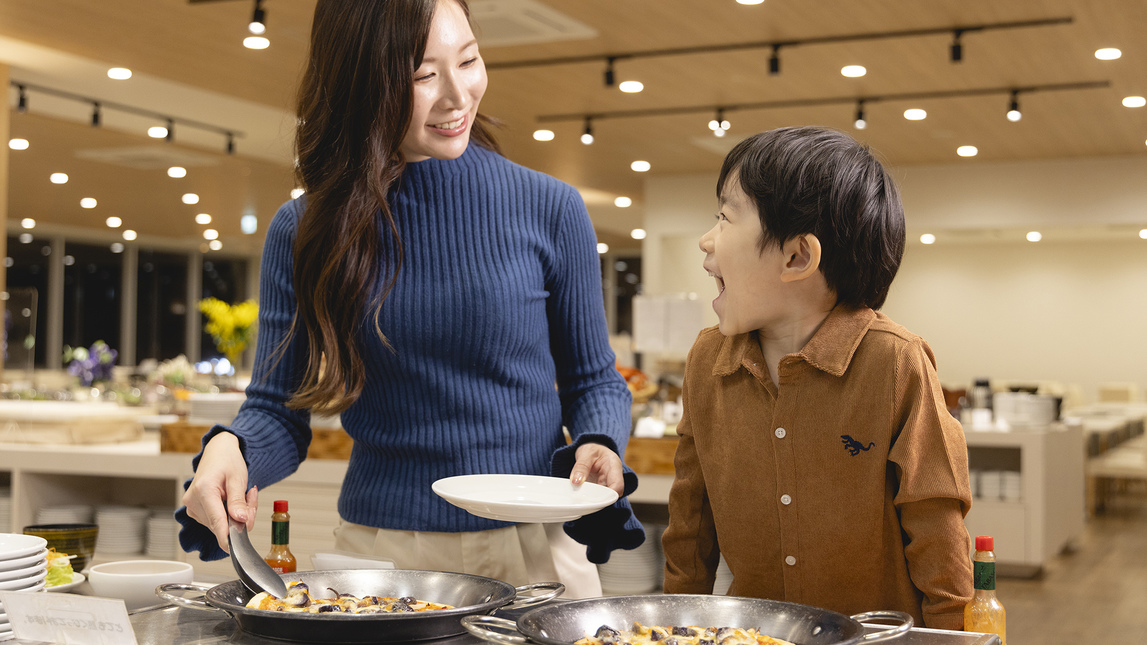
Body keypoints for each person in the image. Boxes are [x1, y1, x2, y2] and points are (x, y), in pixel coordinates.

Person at [176, 0, 643, 597]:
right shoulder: (307, 227)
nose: (458, 95)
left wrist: (600, 441)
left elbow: (595, 380)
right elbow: (276, 411)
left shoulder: (549, 207)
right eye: (422, 76)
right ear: (360, 83)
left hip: (535, 544)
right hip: (380, 552)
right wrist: (228, 447)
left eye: (469, 60)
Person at [661, 127, 973, 629]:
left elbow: (940, 542)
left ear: (797, 257)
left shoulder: (895, 362)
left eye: (724, 216)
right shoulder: (708, 359)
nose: (706, 238)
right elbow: (689, 529)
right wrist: (672, 631)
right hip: (757, 637)